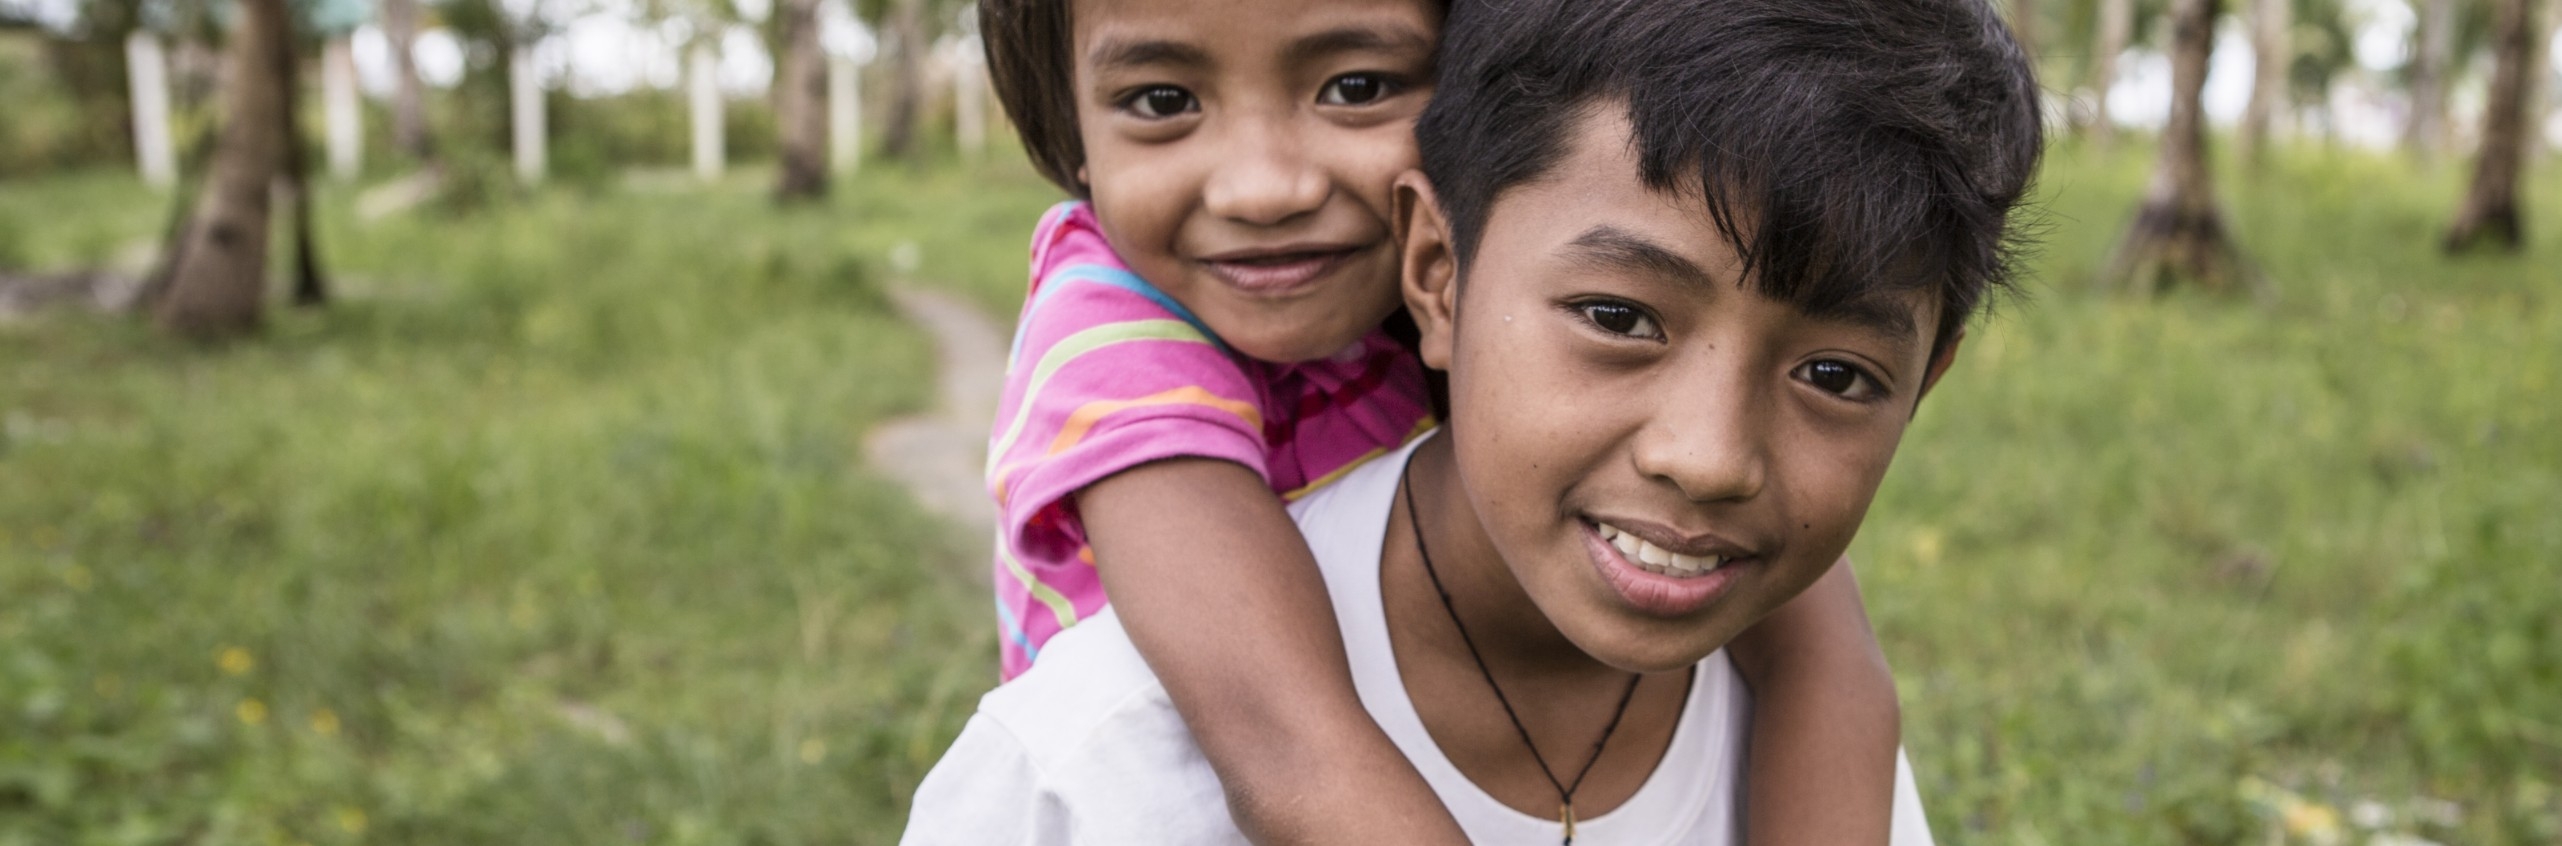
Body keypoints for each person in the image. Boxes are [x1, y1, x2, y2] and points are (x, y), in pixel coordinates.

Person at [908, 0, 2044, 840]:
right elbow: (1283, 742)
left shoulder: (1530, 240)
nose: (1265, 186)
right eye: (1164, 101)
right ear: (1437, 271)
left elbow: (1833, 668)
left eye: (1355, 86)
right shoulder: (1110, 344)